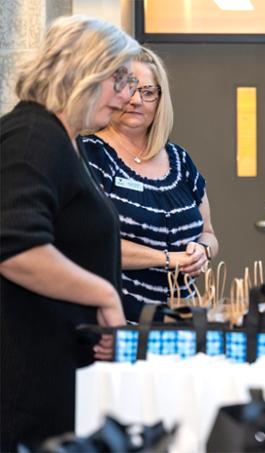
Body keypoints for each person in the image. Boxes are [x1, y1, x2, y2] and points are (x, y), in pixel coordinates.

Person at [0, 16, 139, 450]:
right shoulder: (32, 136)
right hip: (28, 387)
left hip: (57, 375)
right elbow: (16, 248)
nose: (125, 96)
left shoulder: (65, 140)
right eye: (117, 79)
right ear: (82, 70)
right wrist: (104, 295)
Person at [81, 47, 218, 322]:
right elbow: (90, 244)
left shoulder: (180, 160)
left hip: (180, 322)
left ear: (159, 100)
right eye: (129, 89)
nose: (136, 101)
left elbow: (209, 233)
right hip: (116, 323)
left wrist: (202, 252)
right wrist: (168, 258)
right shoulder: (89, 156)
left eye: (147, 92)